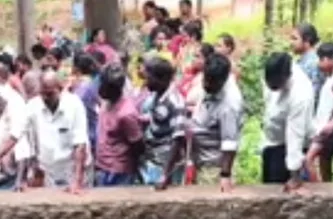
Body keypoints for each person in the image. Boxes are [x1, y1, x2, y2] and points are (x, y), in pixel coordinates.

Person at [181, 53, 244, 191]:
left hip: (215, 169)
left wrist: (225, 175)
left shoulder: (229, 104)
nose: (206, 84)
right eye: (206, 79)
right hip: (203, 162)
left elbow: (230, 142)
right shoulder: (211, 86)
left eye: (211, 82)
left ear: (222, 80)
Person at [22, 71, 91, 193]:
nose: (45, 98)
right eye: (42, 93)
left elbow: (80, 144)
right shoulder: (32, 106)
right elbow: (22, 138)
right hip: (47, 172)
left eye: (49, 94)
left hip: (71, 169)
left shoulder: (74, 105)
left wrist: (77, 181)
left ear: (60, 90)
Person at [261, 52, 315, 191]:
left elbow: (295, 135)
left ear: (286, 77)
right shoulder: (272, 73)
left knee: (281, 190)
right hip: (272, 142)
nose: (270, 86)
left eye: (275, 85)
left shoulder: (300, 94)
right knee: (268, 187)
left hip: (289, 146)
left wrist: (294, 174)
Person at [95, 64, 143, 187]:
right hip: (102, 166)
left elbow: (137, 144)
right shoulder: (106, 102)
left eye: (106, 87)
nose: (101, 89)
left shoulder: (126, 113)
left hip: (118, 171)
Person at [142, 57, 186, 188]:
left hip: (166, 165)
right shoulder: (156, 95)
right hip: (154, 160)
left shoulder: (175, 102)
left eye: (149, 78)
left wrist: (165, 175)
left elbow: (178, 138)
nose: (146, 82)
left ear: (162, 79)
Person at [305, 42, 333, 182]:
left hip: (327, 129)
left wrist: (332, 123)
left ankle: (319, 191)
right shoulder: (330, 78)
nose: (319, 63)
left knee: (309, 159)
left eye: (322, 59)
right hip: (323, 127)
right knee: (324, 163)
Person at [71, 53, 101, 155]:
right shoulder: (92, 83)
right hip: (92, 128)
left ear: (76, 68)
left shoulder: (82, 87)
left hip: (86, 132)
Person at [291, 23, 324, 106]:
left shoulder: (314, 63)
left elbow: (315, 94)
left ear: (307, 40)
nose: (291, 42)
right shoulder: (301, 61)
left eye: (295, 39)